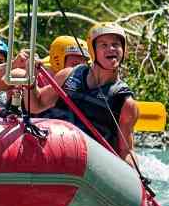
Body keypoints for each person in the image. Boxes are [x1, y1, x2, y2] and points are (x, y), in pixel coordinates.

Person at [20, 23, 139, 158]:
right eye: (103, 45)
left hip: (90, 165)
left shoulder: (125, 102)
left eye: (116, 44)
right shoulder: (67, 75)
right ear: (93, 51)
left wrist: (135, 173)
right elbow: (35, 106)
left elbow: (126, 151)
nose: (111, 49)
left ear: (123, 50)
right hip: (53, 152)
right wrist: (30, 77)